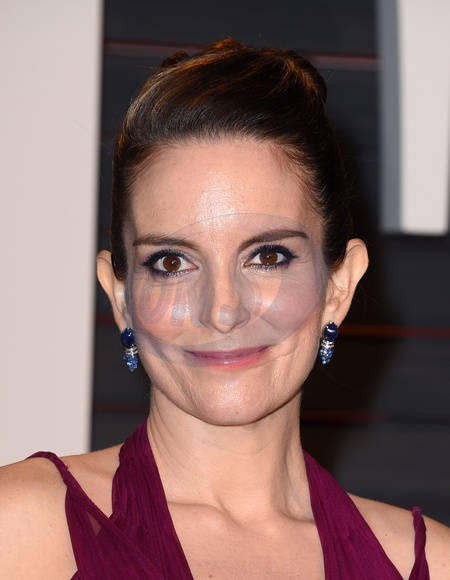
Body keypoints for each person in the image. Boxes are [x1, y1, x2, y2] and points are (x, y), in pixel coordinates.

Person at [0, 38, 449, 579]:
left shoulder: (430, 564)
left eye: (267, 256)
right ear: (120, 298)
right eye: (172, 263)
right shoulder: (19, 530)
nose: (222, 310)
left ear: (339, 286)